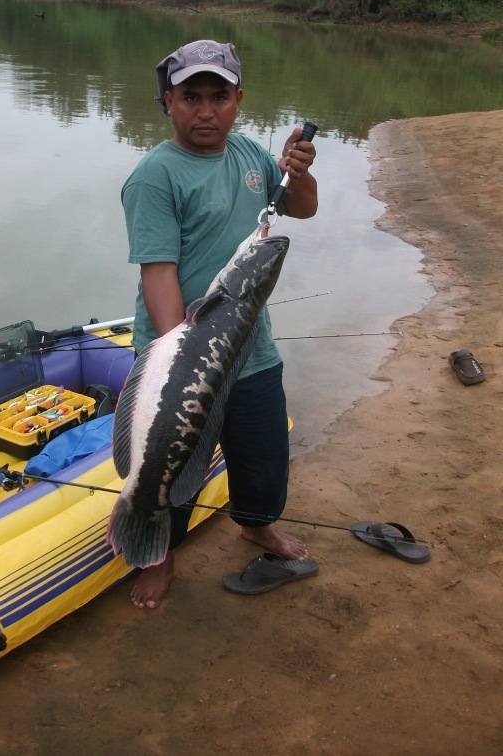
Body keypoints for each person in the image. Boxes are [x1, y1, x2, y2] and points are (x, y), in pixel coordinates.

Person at [121, 40, 318, 609]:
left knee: (262, 456)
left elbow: (301, 209)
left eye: (219, 97)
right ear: (167, 102)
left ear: (238, 100)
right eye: (191, 97)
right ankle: (160, 552)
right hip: (173, 355)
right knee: (169, 462)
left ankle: (256, 524)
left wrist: (297, 173)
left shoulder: (253, 156)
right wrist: (178, 352)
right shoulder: (155, 176)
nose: (205, 110)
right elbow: (157, 272)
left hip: (251, 349)